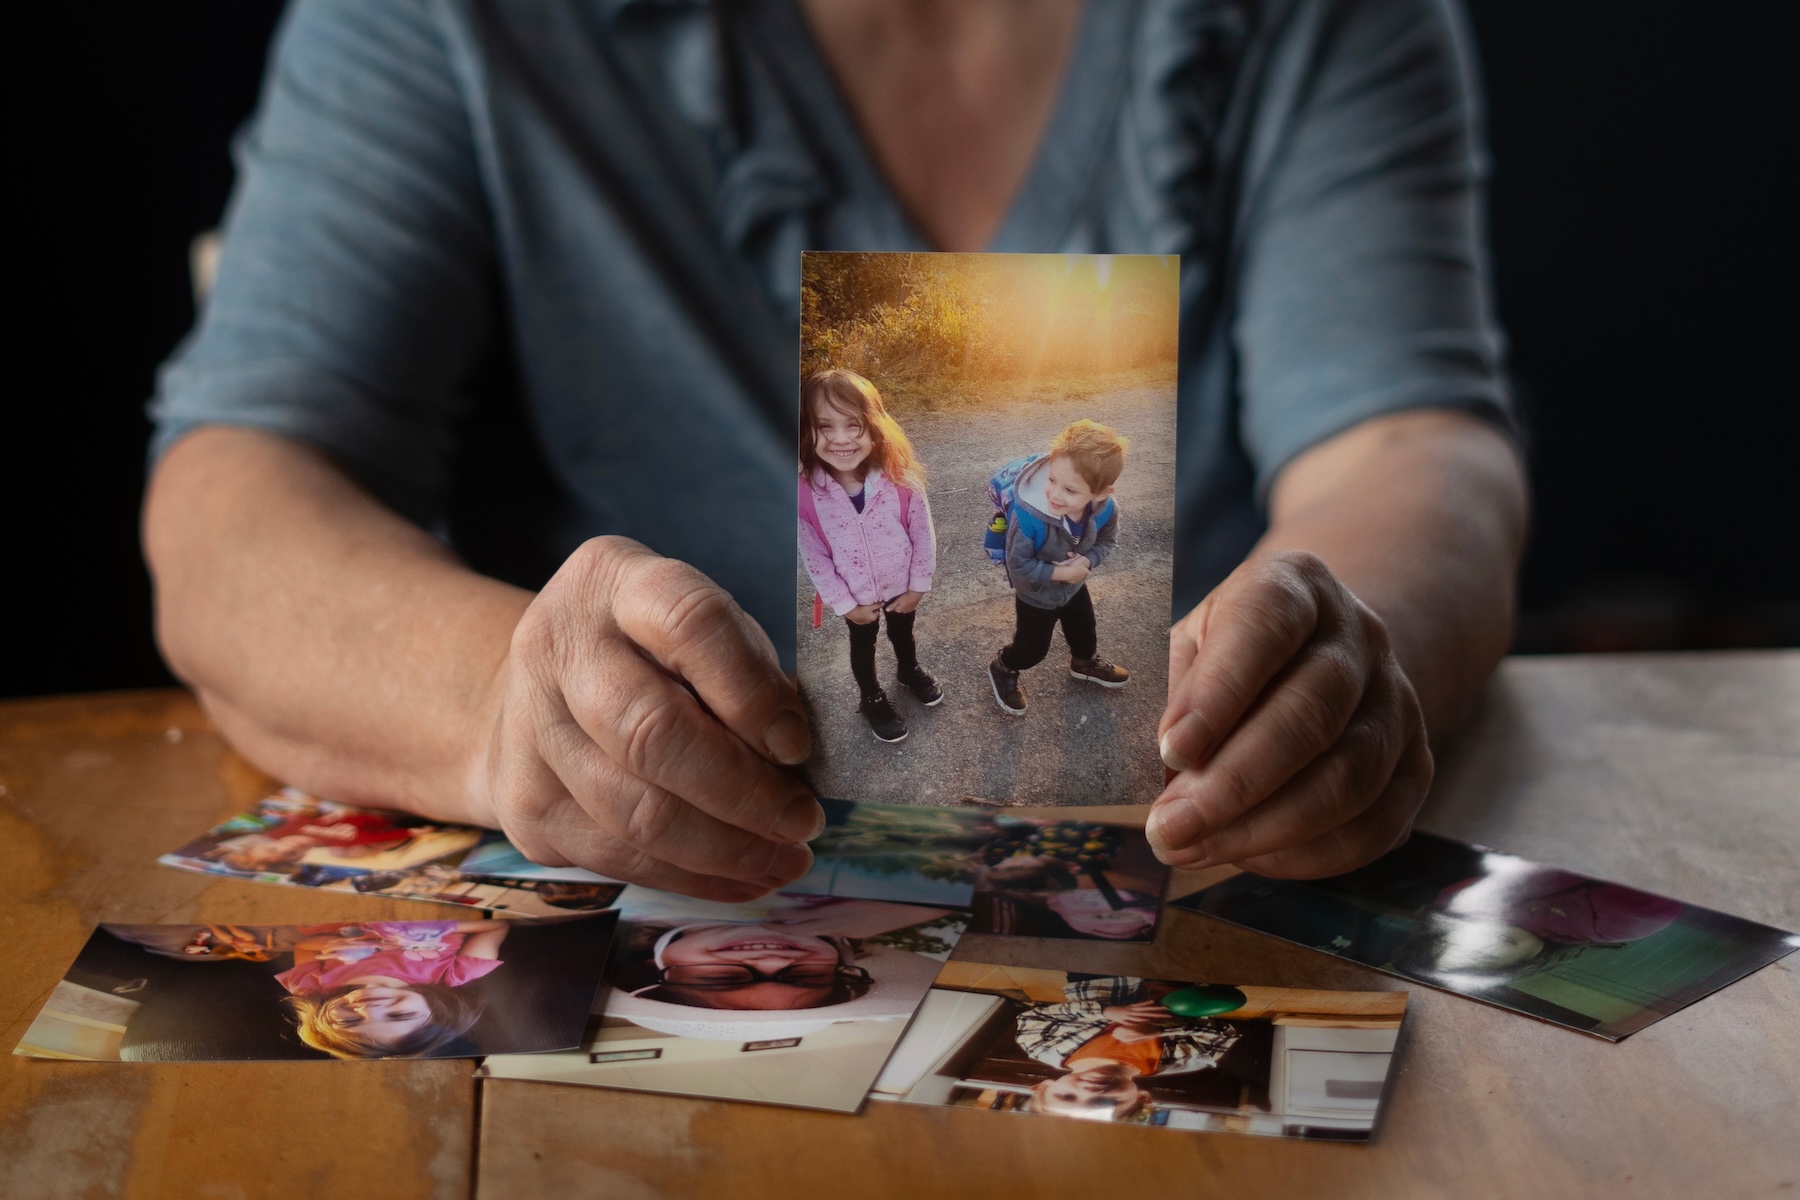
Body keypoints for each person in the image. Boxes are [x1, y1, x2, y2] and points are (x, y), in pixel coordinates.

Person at [144, 0, 1527, 898]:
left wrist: (1349, 655)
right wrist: (513, 703)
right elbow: (242, 492)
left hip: (1191, 878)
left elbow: (1408, 443)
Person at [797, 368, 940, 743]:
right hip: (856, 597)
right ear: (805, 430)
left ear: (875, 426)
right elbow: (815, 559)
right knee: (863, 647)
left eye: (853, 425)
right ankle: (872, 696)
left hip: (901, 589)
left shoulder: (899, 478)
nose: (840, 439)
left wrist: (917, 589)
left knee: (903, 634)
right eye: (824, 427)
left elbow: (923, 535)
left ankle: (908, 671)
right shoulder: (805, 493)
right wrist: (845, 605)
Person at [988, 419, 1131, 716]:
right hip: (1036, 594)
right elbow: (1017, 565)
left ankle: (1084, 663)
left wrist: (1088, 560)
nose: (1054, 494)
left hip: (1075, 585)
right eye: (1051, 480)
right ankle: (1004, 665)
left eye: (1070, 490)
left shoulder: (1107, 509)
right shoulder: (1030, 517)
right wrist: (1061, 573)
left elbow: (1107, 541)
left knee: (1084, 630)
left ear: (1102, 492)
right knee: (1032, 649)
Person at [1013, 976, 1241, 1121]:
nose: (1089, 1092)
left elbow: (1036, 1016)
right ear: (1143, 1099)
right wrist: (1160, 1029)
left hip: (1102, 971)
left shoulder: (1039, 1047)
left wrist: (1106, 1012)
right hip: (1193, 979)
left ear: (1043, 1087)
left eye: (1067, 1096)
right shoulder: (1185, 1061)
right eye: (1105, 1102)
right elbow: (1224, 1033)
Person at [277, 919, 508, 1058]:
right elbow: (495, 926)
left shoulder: (310, 985)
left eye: (349, 1021)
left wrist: (331, 944)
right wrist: (441, 926)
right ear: (436, 1012)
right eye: (399, 1015)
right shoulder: (457, 972)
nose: (369, 1009)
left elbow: (302, 944)